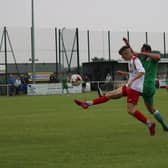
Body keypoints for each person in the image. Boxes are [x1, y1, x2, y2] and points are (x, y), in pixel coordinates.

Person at [74, 46, 156, 136]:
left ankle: (150, 124)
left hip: (134, 89)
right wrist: (126, 75)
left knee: (131, 110)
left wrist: (132, 80)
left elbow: (142, 72)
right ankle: (87, 103)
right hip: (129, 87)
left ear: (126, 53)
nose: (122, 57)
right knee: (109, 94)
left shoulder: (135, 60)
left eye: (122, 55)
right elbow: (134, 73)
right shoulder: (131, 61)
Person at [122, 38, 168, 131]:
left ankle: (105, 95)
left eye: (143, 50)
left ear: (147, 51)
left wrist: (144, 53)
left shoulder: (152, 60)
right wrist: (128, 44)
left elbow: (158, 57)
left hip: (146, 87)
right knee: (151, 109)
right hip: (145, 88)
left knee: (124, 91)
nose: (141, 52)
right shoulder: (140, 60)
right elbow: (133, 53)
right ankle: (164, 126)